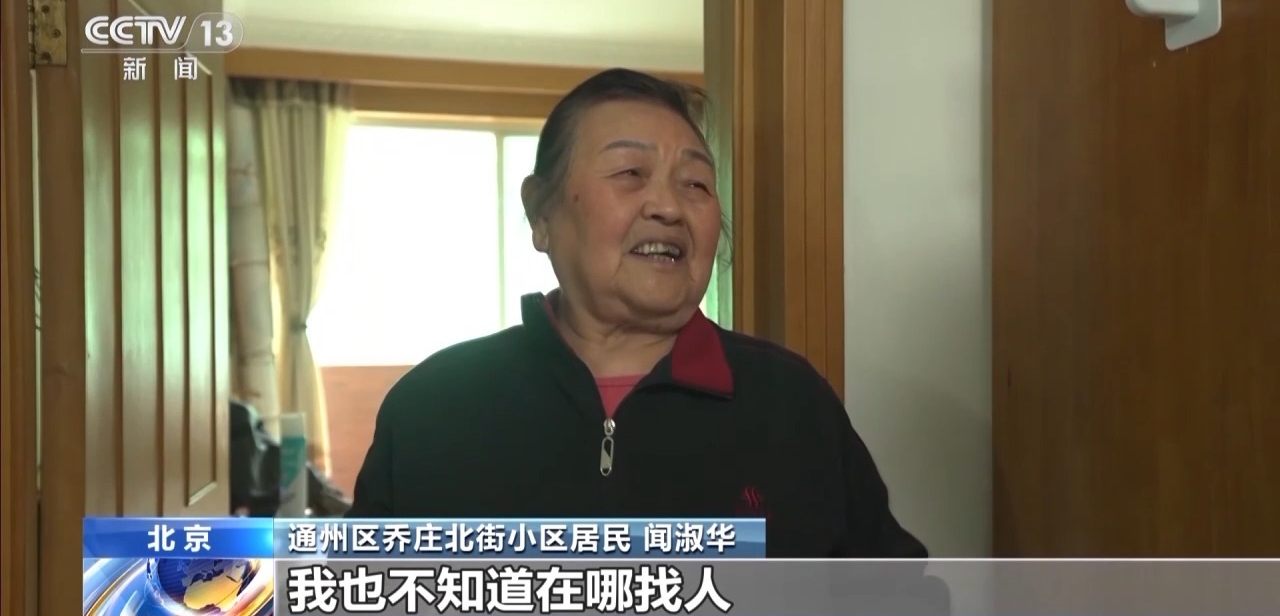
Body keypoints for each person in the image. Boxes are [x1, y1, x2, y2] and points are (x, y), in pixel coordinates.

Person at [347, 67, 927, 558]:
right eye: (630, 173)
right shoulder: (434, 407)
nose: (669, 207)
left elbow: (900, 595)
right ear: (540, 214)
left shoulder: (792, 403)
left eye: (696, 184)